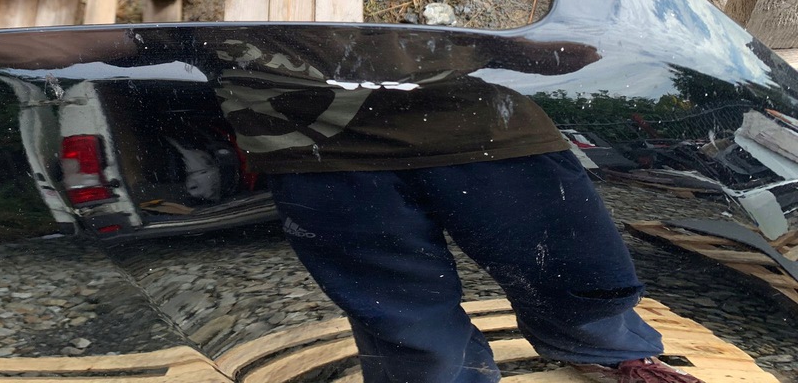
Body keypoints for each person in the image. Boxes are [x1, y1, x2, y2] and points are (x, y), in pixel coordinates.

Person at [212, 28, 703, 383]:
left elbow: (562, 53)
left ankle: (610, 352)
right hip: (315, 154)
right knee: (394, 304)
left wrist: (519, 43)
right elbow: (157, 39)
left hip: (486, 131)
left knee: (576, 266)